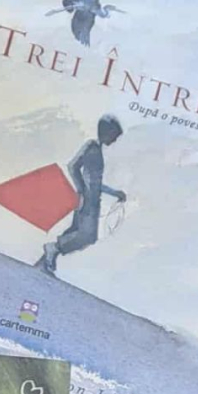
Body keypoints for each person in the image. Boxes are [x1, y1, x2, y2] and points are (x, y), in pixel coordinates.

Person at [38, 114, 125, 275]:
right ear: (106, 132)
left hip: (92, 200)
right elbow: (72, 166)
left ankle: (46, 260)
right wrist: (81, 190)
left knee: (75, 232)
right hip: (87, 201)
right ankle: (53, 248)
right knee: (87, 237)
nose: (114, 140)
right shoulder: (91, 146)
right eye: (114, 135)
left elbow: (96, 183)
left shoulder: (97, 150)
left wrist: (114, 193)